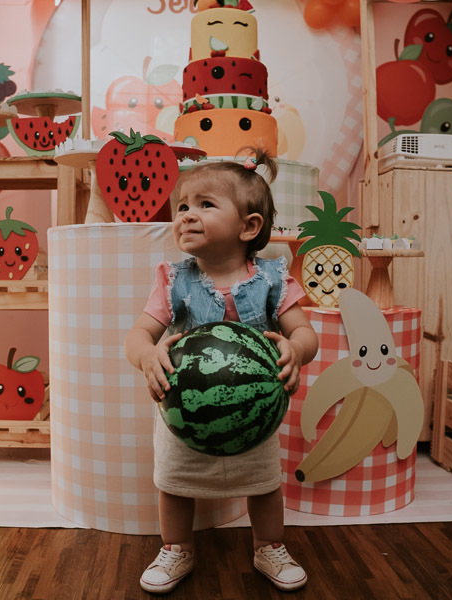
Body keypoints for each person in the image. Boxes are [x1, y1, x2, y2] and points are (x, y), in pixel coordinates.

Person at [124, 148, 319, 594]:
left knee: (265, 484)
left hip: (256, 412)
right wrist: (147, 356)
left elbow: (306, 334)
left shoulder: (273, 278)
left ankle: (269, 545)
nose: (187, 216)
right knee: (175, 483)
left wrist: (295, 349)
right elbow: (137, 334)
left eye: (205, 205)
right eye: (183, 206)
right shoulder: (172, 279)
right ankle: (176, 548)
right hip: (183, 410)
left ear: (248, 227)